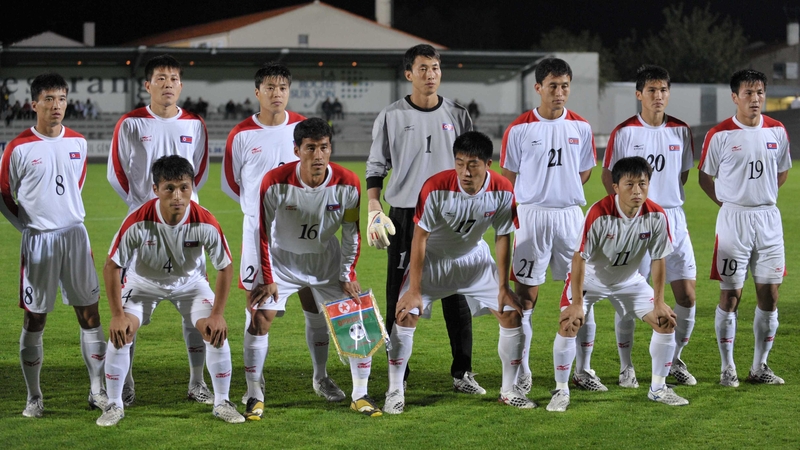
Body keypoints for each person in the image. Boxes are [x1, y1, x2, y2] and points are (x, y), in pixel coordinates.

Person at [383, 131, 533, 414]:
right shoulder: (436, 187)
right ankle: (394, 391)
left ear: (488, 163)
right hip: (433, 260)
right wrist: (414, 290)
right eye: (460, 163)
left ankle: (509, 390)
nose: (465, 171)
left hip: (474, 260)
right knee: (405, 315)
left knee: (511, 313)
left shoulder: (502, 189)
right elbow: (420, 238)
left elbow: (503, 237)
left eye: (473, 164)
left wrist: (502, 286)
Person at [222, 62, 339, 419]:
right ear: (257, 92)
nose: (277, 93)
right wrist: (260, 213)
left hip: (303, 232)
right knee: (260, 312)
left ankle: (320, 377)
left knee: (315, 306)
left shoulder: (302, 129)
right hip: (260, 232)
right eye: (270, 87)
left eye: (283, 88)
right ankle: (254, 388)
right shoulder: (241, 134)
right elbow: (232, 183)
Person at [366, 44, 482, 394]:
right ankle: (397, 371)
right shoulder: (391, 115)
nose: (430, 75)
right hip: (404, 216)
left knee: (456, 295)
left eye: (435, 68)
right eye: (422, 69)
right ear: (408, 74)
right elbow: (375, 166)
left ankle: (462, 373)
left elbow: (472, 165)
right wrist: (374, 207)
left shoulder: (459, 114)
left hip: (449, 213)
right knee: (397, 295)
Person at [96, 155, 244, 426]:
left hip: (189, 284)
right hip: (143, 284)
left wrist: (218, 314)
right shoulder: (138, 220)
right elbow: (112, 266)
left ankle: (222, 401)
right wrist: (117, 314)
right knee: (122, 331)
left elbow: (225, 266)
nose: (178, 195)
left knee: (215, 331)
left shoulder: (206, 221)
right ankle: (114, 405)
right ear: (156, 190)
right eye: (169, 188)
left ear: (192, 188)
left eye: (184, 187)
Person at [249, 118, 382, 417]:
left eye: (324, 147)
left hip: (326, 261)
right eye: (311, 148)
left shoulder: (348, 183)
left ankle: (357, 393)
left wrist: (347, 273)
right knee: (260, 318)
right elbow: (261, 231)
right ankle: (254, 393)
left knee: (356, 318)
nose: (318, 155)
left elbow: (351, 231)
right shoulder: (275, 182)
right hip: (283, 262)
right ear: (297, 150)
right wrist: (267, 277)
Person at [0, 72, 107, 418]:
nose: (57, 105)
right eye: (49, 99)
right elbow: (3, 194)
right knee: (35, 319)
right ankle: (34, 397)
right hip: (39, 242)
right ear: (34, 104)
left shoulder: (78, 142)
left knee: (89, 314)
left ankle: (97, 391)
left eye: (61, 98)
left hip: (75, 236)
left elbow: (75, 186)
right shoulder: (17, 147)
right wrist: (27, 226)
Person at [107, 54, 210, 406]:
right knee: (130, 308)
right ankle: (127, 381)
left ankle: (197, 382)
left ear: (181, 85)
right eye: (161, 78)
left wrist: (183, 206)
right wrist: (142, 210)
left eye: (174, 78)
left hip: (186, 227)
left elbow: (200, 171)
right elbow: (116, 173)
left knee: (193, 304)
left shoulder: (194, 124)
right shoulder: (131, 123)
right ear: (147, 84)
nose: (168, 84)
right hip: (143, 228)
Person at [546, 156, 688, 412]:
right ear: (615, 187)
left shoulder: (656, 215)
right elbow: (579, 259)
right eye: (629, 184)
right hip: (591, 278)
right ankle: (561, 390)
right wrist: (577, 303)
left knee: (665, 321)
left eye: (642, 184)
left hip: (629, 281)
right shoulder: (599, 213)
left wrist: (659, 302)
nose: (637, 191)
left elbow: (658, 259)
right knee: (570, 323)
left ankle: (658, 388)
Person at [500, 57, 597, 394]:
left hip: (571, 215)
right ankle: (523, 369)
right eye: (553, 86)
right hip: (532, 216)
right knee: (526, 296)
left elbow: (584, 172)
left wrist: (563, 189)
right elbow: (509, 177)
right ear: (538, 87)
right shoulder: (519, 129)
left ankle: (584, 369)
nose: (559, 92)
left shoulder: (581, 127)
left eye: (565, 86)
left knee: (581, 294)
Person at [602, 65, 698, 388]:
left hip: (673, 217)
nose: (659, 97)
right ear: (639, 94)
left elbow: (682, 175)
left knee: (686, 294)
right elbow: (609, 176)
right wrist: (627, 210)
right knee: (631, 295)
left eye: (664, 91)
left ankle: (674, 360)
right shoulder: (624, 132)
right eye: (652, 91)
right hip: (637, 220)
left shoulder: (682, 131)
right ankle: (626, 366)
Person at [699, 69, 791, 387]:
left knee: (770, 295)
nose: (755, 99)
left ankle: (759, 367)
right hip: (733, 220)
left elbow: (782, 171)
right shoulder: (720, 134)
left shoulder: (777, 131)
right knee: (730, 296)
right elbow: (704, 176)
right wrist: (727, 203)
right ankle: (728, 368)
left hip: (768, 219)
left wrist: (762, 197)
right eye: (749, 93)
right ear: (735, 97)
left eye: (760, 92)